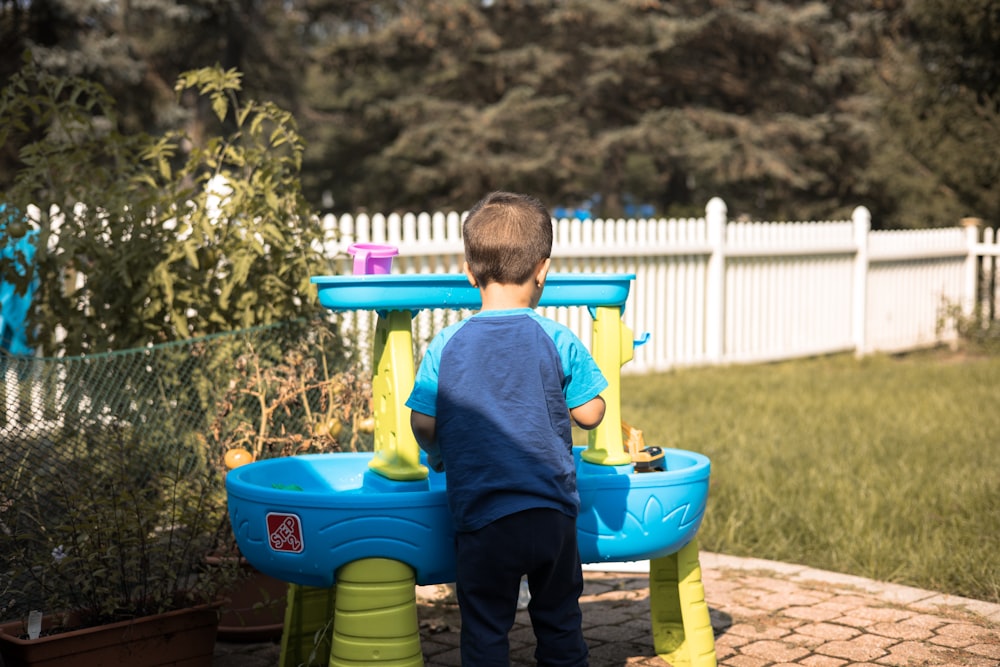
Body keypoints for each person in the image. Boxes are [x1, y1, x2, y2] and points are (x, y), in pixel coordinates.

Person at [406, 191, 607, 666]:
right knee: (559, 620)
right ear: (543, 268)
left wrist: (437, 452)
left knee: (485, 630)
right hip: (550, 514)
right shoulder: (557, 336)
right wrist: (592, 393)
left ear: (469, 270)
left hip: (483, 518)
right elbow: (590, 415)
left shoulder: (446, 343)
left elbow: (422, 421)